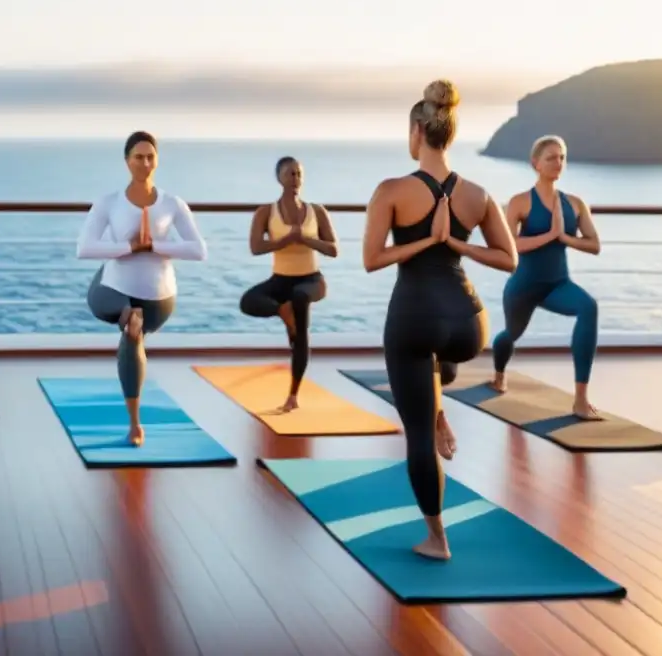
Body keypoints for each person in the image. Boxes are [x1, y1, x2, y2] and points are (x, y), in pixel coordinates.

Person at [362, 80, 517, 561]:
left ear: (416, 132)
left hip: (415, 317)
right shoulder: (478, 194)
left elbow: (373, 259)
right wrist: (458, 244)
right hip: (469, 324)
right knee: (439, 362)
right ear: (447, 134)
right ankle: (439, 411)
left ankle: (436, 538)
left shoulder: (391, 190)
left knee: (417, 439)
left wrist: (431, 240)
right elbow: (509, 258)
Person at [76, 131, 207, 446]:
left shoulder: (172, 204)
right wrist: (129, 247)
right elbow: (84, 247)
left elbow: (199, 249)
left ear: (157, 161)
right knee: (132, 326)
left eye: (150, 156)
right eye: (138, 156)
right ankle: (135, 424)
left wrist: (155, 245)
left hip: (159, 296)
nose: (145, 163)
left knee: (134, 330)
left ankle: (131, 346)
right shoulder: (109, 203)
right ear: (127, 161)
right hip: (114, 286)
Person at [491, 135, 602, 419]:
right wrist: (551, 236)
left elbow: (594, 244)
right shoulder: (519, 202)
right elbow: (509, 245)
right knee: (510, 335)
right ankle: (499, 371)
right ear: (535, 163)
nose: (558, 162)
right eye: (551, 157)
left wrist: (565, 238)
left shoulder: (575, 204)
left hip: (557, 285)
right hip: (524, 286)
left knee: (589, 307)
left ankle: (580, 399)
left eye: (562, 157)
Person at [240, 156, 338, 411]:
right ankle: (282, 311)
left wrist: (305, 239)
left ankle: (293, 396)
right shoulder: (266, 212)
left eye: (298, 174)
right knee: (248, 301)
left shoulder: (316, 211)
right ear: (279, 178)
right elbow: (256, 247)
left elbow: (333, 249)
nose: (295, 178)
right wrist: (285, 240)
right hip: (280, 280)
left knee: (300, 302)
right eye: (289, 174)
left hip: (311, 280)